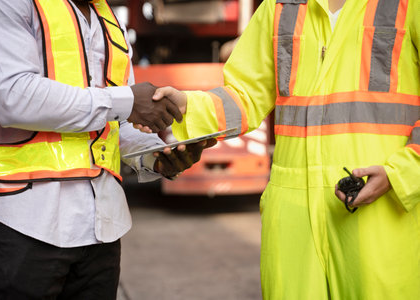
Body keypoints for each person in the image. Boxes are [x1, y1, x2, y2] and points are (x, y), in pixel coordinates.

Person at [147, 0, 420, 298]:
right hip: (292, 222)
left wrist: (401, 173)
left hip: (381, 215)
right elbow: (246, 94)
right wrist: (189, 105)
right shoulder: (281, 6)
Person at [0, 0, 214, 298]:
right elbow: (11, 96)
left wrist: (157, 155)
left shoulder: (107, 18)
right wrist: (126, 101)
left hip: (101, 231)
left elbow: (115, 122)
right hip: (24, 226)